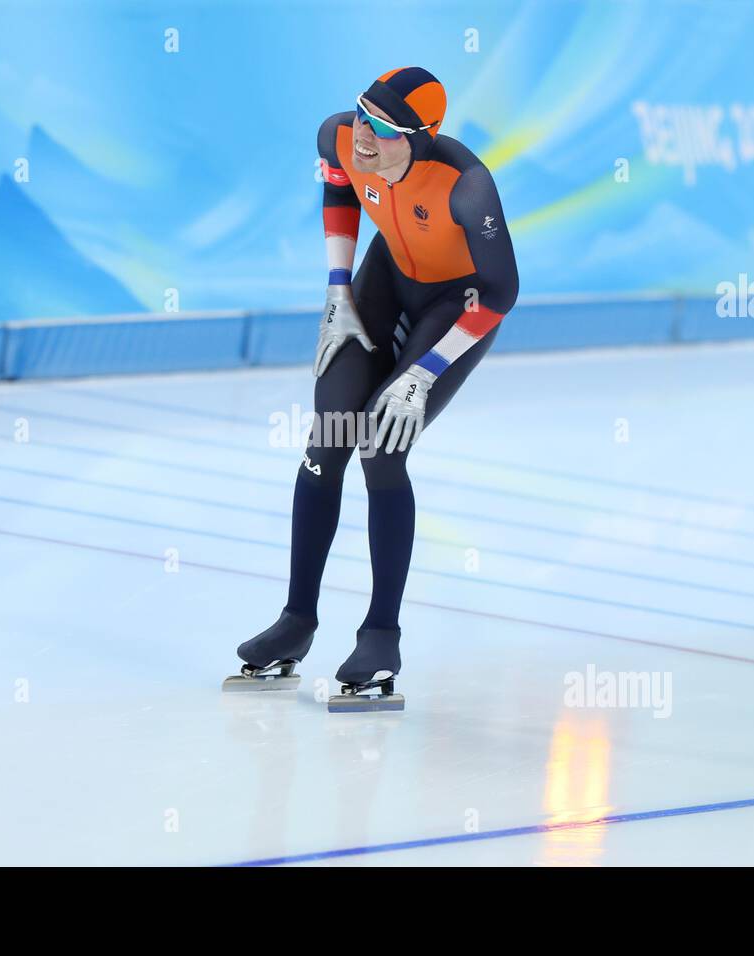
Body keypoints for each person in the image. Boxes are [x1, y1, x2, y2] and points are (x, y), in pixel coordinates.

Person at [224, 67, 519, 711]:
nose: (363, 138)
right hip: (386, 282)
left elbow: (501, 292)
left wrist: (423, 373)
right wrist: (337, 289)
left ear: (422, 138)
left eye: (383, 131)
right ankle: (297, 621)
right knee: (327, 438)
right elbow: (338, 187)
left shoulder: (466, 189)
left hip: (455, 304)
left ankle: (381, 638)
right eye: (362, 118)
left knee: (382, 449)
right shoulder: (337, 139)